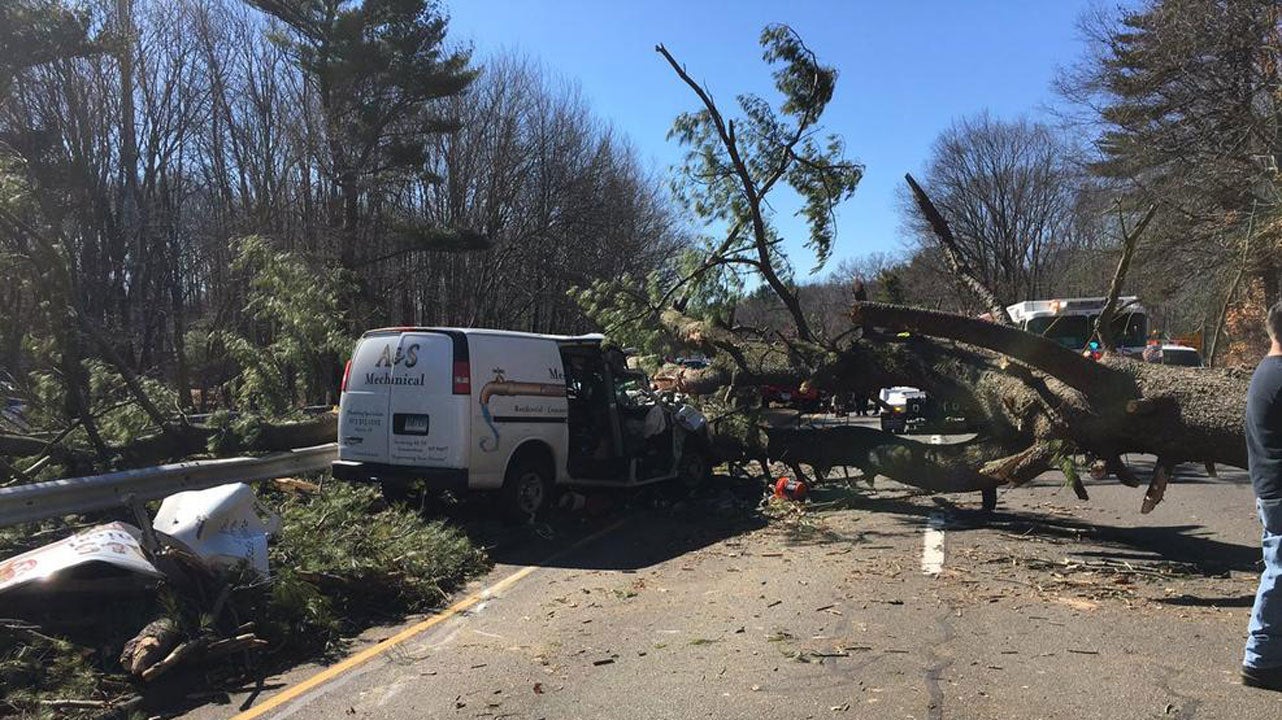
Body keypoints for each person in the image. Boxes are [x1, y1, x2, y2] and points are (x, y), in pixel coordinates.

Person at [1243, 301, 1282, 690]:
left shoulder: (1266, 371)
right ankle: (1260, 660)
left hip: (1271, 488)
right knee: (1280, 572)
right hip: (1279, 490)